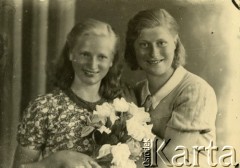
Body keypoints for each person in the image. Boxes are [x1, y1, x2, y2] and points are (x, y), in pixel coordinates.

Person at [13, 19, 123, 168]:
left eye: (102, 57)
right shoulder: (45, 107)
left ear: (111, 61)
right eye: (85, 54)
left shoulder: (121, 110)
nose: (92, 64)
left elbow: (149, 160)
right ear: (71, 53)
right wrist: (58, 159)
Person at [125, 8, 217, 167]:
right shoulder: (138, 91)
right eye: (144, 44)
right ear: (133, 48)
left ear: (175, 42)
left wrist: (132, 122)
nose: (153, 53)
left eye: (161, 43)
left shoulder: (195, 90)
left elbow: (169, 159)